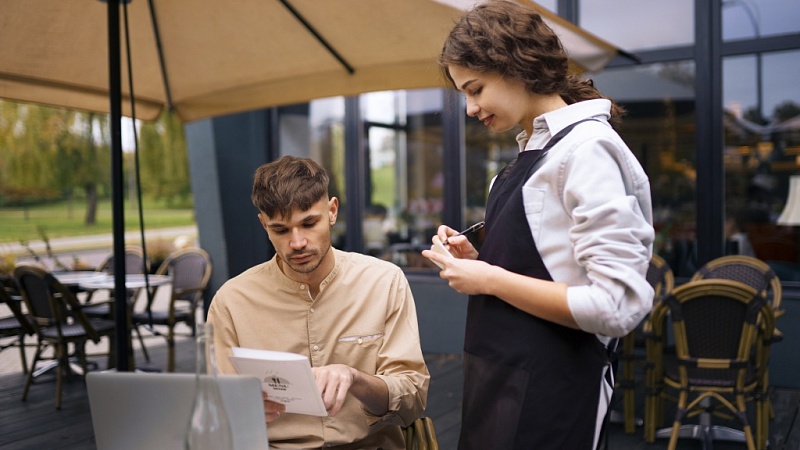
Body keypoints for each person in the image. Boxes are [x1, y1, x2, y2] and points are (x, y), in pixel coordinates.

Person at [421, 1, 655, 449]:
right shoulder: (530, 154)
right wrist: (480, 260)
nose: (469, 108)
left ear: (516, 66)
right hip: (497, 382)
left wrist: (490, 278)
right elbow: (548, 266)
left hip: (554, 395)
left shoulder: (587, 150)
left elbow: (615, 305)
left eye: (475, 89)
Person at [208, 155, 429, 450]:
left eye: (309, 223)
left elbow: (413, 398)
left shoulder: (384, 282)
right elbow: (214, 410)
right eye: (280, 230)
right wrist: (239, 409)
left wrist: (355, 379)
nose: (297, 243)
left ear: (332, 211)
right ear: (263, 225)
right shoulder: (231, 302)